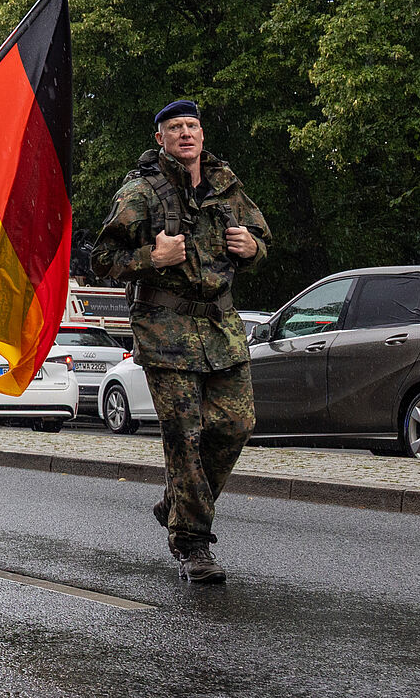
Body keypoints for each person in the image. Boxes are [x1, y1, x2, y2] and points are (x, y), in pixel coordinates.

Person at [90, 99, 269, 584]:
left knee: (236, 425)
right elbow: (102, 258)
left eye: (192, 126)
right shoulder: (140, 192)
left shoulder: (226, 187)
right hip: (165, 329)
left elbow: (259, 237)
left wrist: (252, 247)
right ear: (161, 139)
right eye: (175, 128)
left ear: (202, 135)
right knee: (185, 436)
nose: (185, 134)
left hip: (221, 327)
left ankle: (175, 502)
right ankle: (191, 543)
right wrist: (153, 255)